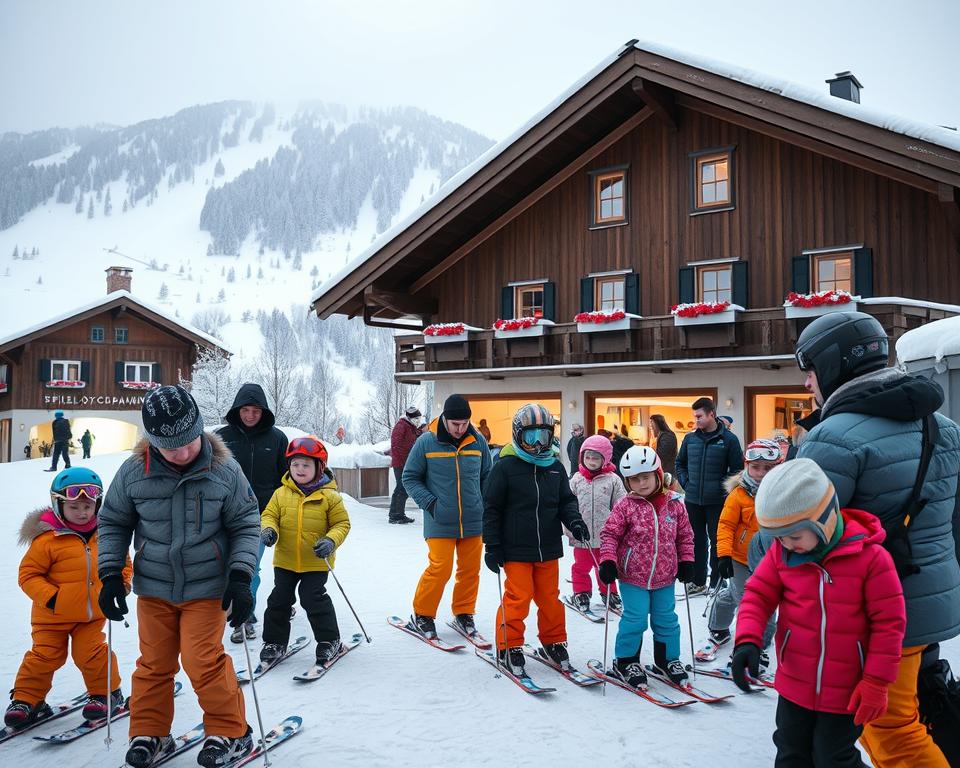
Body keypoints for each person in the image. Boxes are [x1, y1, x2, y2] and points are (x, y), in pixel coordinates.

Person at [793, 310, 960, 766]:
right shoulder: (941, 427)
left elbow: (796, 534)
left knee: (891, 732)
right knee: (919, 709)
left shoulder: (832, 438)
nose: (808, 384)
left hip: (877, 611)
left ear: (830, 366)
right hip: (932, 600)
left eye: (809, 371)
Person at [97, 385, 260, 768]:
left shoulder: (224, 470)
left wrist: (240, 575)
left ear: (200, 430)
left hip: (208, 588)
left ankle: (231, 731)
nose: (183, 452)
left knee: (203, 660)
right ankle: (150, 732)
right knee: (154, 662)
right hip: (154, 587)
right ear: (153, 441)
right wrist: (108, 575)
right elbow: (113, 521)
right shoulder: (134, 472)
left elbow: (246, 524)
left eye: (189, 442)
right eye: (171, 447)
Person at [731, 459, 906, 767]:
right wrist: (747, 639)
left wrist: (877, 682)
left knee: (832, 757)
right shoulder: (782, 554)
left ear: (823, 520)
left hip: (846, 689)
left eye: (794, 536)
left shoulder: (872, 560)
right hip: (794, 682)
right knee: (791, 753)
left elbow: (889, 625)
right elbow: (758, 594)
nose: (785, 544)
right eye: (779, 537)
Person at [5, 468, 130, 729]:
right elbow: (28, 575)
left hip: (91, 615)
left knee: (92, 654)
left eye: (88, 505)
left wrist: (122, 584)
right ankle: (27, 700)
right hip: (52, 616)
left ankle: (105, 694)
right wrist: (52, 598)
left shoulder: (106, 535)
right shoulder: (48, 540)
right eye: (74, 507)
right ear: (58, 505)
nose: (83, 512)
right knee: (44, 656)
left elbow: (122, 563)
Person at [482, 404, 589, 675]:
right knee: (518, 597)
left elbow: (566, 501)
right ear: (518, 435)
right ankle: (509, 645)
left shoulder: (555, 467)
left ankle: (553, 641)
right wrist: (492, 546)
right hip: (516, 547)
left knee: (550, 598)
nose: (538, 443)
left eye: (543, 436)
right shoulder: (505, 467)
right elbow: (491, 508)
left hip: (548, 547)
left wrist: (574, 521)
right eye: (531, 437)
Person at [597, 446, 695, 688]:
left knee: (667, 619)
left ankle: (667, 659)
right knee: (636, 619)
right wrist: (608, 560)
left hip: (666, 575)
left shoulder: (675, 504)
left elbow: (685, 536)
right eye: (634, 479)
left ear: (658, 474)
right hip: (633, 577)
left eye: (646, 477)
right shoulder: (625, 506)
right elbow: (609, 534)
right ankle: (626, 660)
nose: (641, 483)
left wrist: (687, 561)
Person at [402, 394, 491, 640]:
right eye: (455, 424)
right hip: (439, 519)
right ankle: (422, 614)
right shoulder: (427, 442)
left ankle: (464, 613)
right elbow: (410, 477)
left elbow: (487, 477)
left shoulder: (478, 441)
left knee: (470, 570)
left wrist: (484, 505)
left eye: (464, 424)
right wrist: (430, 503)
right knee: (440, 568)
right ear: (445, 419)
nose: (460, 429)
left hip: (473, 520)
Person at [259, 436, 350, 666]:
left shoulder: (330, 496)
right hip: (286, 560)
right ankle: (274, 642)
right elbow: (269, 515)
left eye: (306, 465)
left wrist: (331, 540)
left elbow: (342, 524)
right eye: (295, 464)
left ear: (319, 467)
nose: (299, 469)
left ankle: (330, 641)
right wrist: (269, 529)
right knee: (279, 600)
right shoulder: (281, 493)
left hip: (316, 562)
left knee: (313, 599)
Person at [696, 439, 782, 664]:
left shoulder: (782, 493)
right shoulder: (739, 495)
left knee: (764, 600)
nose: (761, 473)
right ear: (746, 466)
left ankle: (760, 642)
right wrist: (723, 555)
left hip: (769, 560)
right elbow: (725, 525)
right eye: (756, 467)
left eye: (768, 468)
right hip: (739, 559)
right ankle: (744, 641)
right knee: (746, 600)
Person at [216, 383, 289, 642]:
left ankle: (244, 617)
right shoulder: (220, 437)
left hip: (261, 514)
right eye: (245, 410)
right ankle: (230, 609)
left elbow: (287, 479)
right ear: (237, 410)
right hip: (224, 514)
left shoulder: (277, 438)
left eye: (255, 410)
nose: (250, 416)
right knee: (224, 566)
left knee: (250, 567)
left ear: (263, 411)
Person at [674, 397, 743, 594]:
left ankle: (717, 582)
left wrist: (723, 490)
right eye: (695, 417)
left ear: (711, 414)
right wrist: (687, 483)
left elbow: (737, 469)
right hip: (693, 500)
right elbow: (680, 463)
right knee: (695, 540)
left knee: (717, 540)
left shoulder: (729, 440)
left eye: (699, 416)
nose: (696, 420)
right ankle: (698, 581)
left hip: (717, 501)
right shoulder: (690, 438)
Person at [567, 435, 627, 612]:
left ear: (605, 458)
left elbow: (621, 504)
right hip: (582, 537)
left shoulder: (613, 480)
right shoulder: (576, 480)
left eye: (596, 457)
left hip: (605, 537)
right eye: (588, 457)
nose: (591, 461)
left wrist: (619, 529)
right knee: (580, 567)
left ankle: (609, 592)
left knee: (605, 566)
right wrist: (570, 528)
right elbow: (568, 505)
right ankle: (581, 592)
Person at [388, 405, 423, 524]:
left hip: (405, 462)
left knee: (402, 488)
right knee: (401, 487)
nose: (418, 421)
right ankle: (395, 515)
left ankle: (398, 514)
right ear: (410, 418)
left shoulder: (409, 426)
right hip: (400, 462)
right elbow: (396, 445)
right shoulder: (401, 426)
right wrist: (405, 460)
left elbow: (412, 436)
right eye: (416, 419)